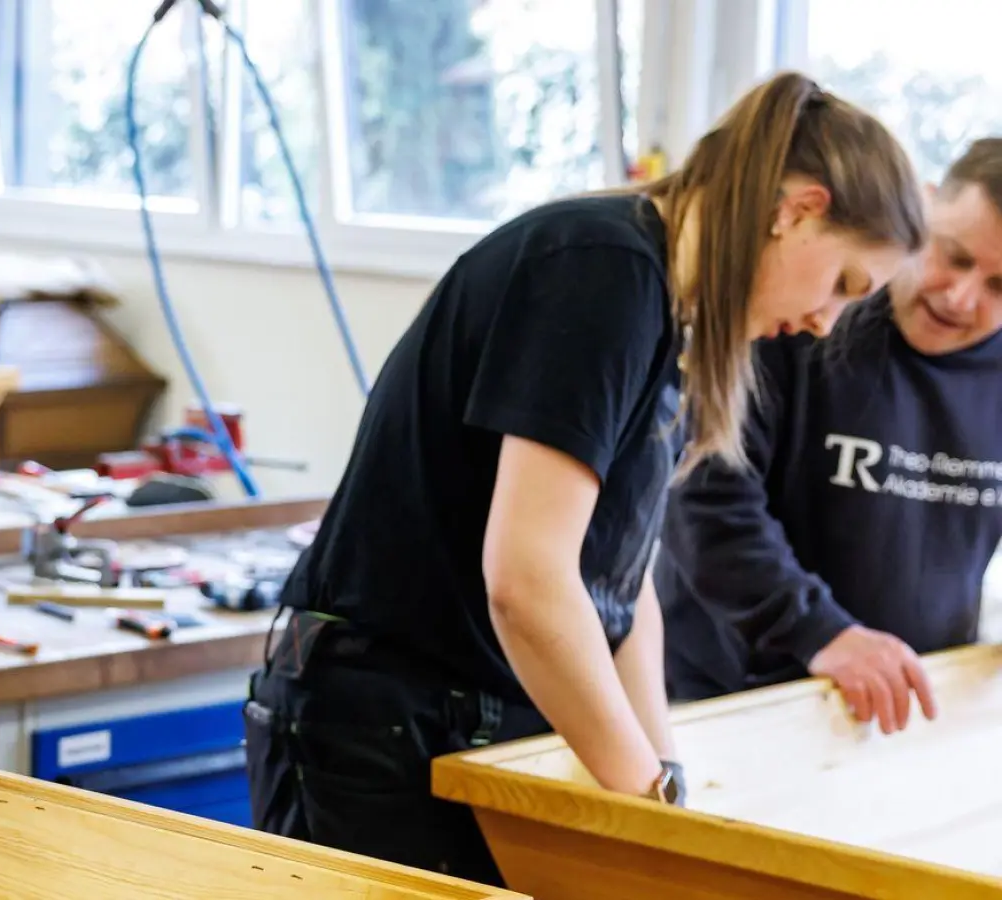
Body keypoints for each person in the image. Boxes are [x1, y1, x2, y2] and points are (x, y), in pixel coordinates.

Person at [242, 71, 927, 886]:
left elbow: (618, 587)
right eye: (845, 285)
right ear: (797, 209)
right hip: (383, 720)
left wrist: (664, 790)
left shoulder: (669, 315)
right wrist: (641, 795)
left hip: (476, 723)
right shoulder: (602, 268)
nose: (824, 322)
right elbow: (527, 582)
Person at [654, 137, 1002, 732]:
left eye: (1000, 288)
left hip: (904, 707)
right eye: (955, 257)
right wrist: (819, 631)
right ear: (923, 210)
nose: (961, 296)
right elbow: (704, 499)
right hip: (732, 699)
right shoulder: (799, 311)